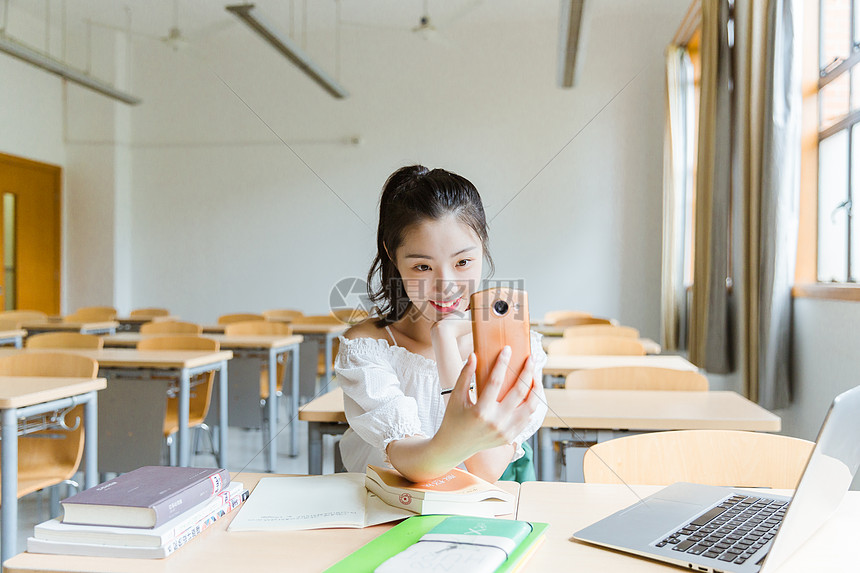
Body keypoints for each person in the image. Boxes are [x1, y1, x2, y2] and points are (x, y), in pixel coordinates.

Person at [334, 165, 547, 483]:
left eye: (463, 262)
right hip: (385, 521)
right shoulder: (367, 348)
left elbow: (487, 469)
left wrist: (446, 344)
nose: (445, 286)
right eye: (422, 266)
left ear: (483, 247)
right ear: (393, 257)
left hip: (474, 527)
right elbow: (415, 467)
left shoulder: (515, 345)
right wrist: (445, 340)